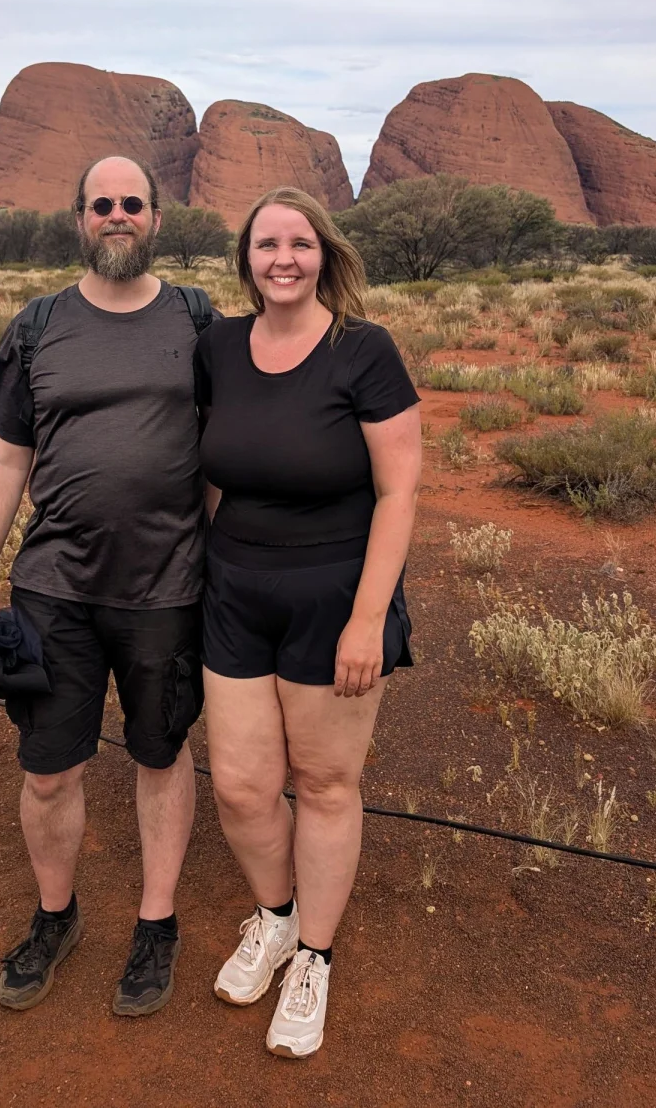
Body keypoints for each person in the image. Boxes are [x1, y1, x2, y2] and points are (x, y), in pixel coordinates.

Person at [0, 154, 214, 1019]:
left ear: (157, 218)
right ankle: (55, 917)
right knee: (48, 769)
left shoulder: (198, 319)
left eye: (132, 202)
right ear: (79, 219)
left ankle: (157, 923)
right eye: (101, 204)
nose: (117, 215)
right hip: (53, 587)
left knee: (160, 754)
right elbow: (6, 458)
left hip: (167, 587)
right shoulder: (37, 326)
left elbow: (228, 448)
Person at [193, 186, 422, 1059]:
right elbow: (211, 466)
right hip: (235, 591)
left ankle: (315, 959)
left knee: (324, 784)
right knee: (241, 786)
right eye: (267, 245)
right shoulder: (219, 346)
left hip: (334, 595)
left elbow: (399, 491)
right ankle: (277, 918)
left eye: (300, 243)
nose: (283, 259)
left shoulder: (363, 350)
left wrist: (368, 619)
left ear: (325, 254)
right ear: (246, 261)